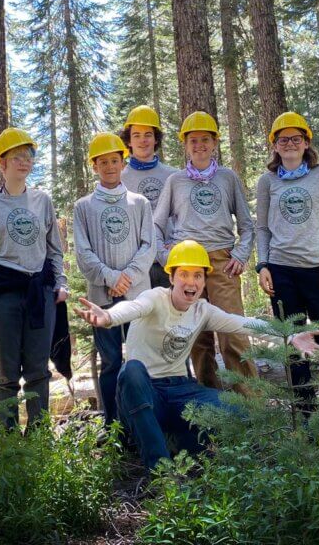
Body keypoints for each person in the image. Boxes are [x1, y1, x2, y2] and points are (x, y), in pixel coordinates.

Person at [74, 240, 319, 470]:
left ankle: (178, 441)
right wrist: (108, 317)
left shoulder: (202, 311)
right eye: (183, 274)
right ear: (171, 277)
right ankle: (161, 472)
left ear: (204, 281)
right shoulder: (154, 298)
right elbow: (133, 307)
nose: (190, 282)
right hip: (143, 392)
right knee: (132, 370)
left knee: (238, 410)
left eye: (197, 275)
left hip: (180, 391)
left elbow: (243, 323)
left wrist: (290, 336)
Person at [0, 127, 70, 431]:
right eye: (16, 157)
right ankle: (9, 441)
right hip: (2, 295)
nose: (24, 162)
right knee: (6, 371)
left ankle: (38, 437)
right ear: (1, 163)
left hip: (40, 292)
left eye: (28, 156)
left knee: (39, 369)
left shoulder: (42, 201)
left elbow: (55, 247)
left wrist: (61, 282)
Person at [153, 111, 256, 392]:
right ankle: (210, 407)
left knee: (233, 333)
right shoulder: (175, 181)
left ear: (214, 144)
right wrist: (166, 258)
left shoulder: (227, 178)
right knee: (197, 337)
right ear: (185, 145)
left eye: (205, 140)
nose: (199, 145)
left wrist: (240, 255)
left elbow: (247, 225)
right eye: (193, 140)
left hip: (223, 262)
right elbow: (156, 225)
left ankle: (251, 407)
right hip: (187, 267)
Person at [255, 112, 319, 408]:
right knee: (294, 347)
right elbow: (261, 227)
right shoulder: (266, 181)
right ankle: (306, 414)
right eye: (283, 139)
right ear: (275, 145)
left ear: (307, 142)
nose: (290, 144)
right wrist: (263, 265)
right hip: (283, 273)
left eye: (296, 138)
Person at [73, 132, 156, 425]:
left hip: (137, 296)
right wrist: (110, 279)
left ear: (123, 163)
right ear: (94, 166)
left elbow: (149, 245)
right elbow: (83, 253)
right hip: (102, 299)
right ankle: (113, 426)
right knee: (110, 363)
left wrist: (129, 277)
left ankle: (144, 421)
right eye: (103, 161)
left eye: (114, 160)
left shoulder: (140, 203)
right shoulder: (83, 207)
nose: (109, 166)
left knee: (139, 361)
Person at [119, 105, 179, 289]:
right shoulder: (120, 178)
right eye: (136, 135)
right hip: (135, 267)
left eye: (148, 135)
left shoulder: (173, 175)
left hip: (170, 263)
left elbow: (183, 215)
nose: (142, 140)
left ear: (156, 139)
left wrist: (178, 242)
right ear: (128, 141)